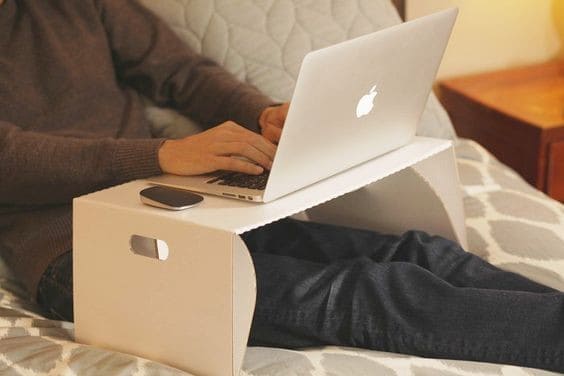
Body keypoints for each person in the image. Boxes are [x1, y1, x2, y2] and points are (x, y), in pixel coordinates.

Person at [0, 0, 562, 373]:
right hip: (81, 252)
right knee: (365, 295)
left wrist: (266, 115)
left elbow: (185, 74)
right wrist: (161, 154)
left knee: (414, 251)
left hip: (189, 207)